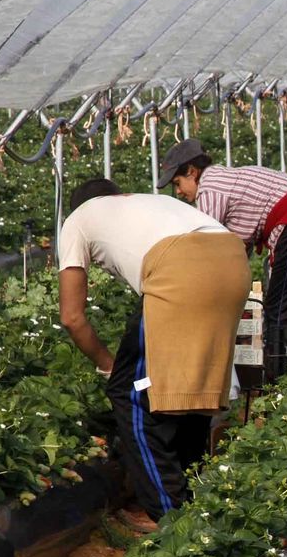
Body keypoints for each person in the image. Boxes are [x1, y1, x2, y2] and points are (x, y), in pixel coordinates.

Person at [57, 178, 250, 527]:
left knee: (128, 393)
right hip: (232, 260)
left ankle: (170, 514)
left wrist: (108, 365)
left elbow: (71, 317)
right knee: (194, 385)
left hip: (180, 266)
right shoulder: (145, 203)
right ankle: (194, 496)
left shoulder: (77, 220)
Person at [159, 138, 287, 375]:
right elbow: (234, 251)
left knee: (281, 313)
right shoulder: (225, 179)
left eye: (178, 183)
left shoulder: (210, 187)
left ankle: (280, 380)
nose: (179, 192)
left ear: (192, 171)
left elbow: (208, 250)